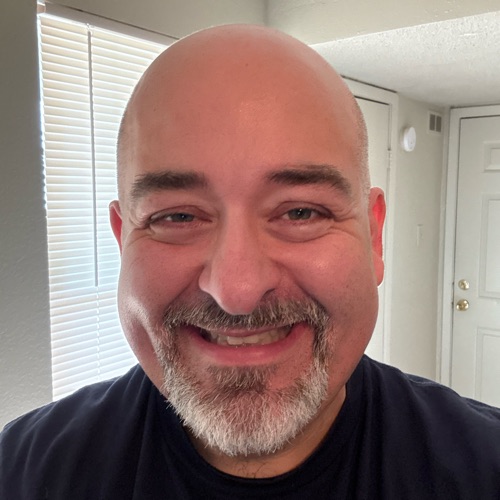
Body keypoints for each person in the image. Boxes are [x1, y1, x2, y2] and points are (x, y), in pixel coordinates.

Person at [1, 24, 499, 499]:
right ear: (122, 241)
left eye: (301, 212)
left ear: (373, 238)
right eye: (177, 217)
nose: (237, 290)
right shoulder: (20, 473)